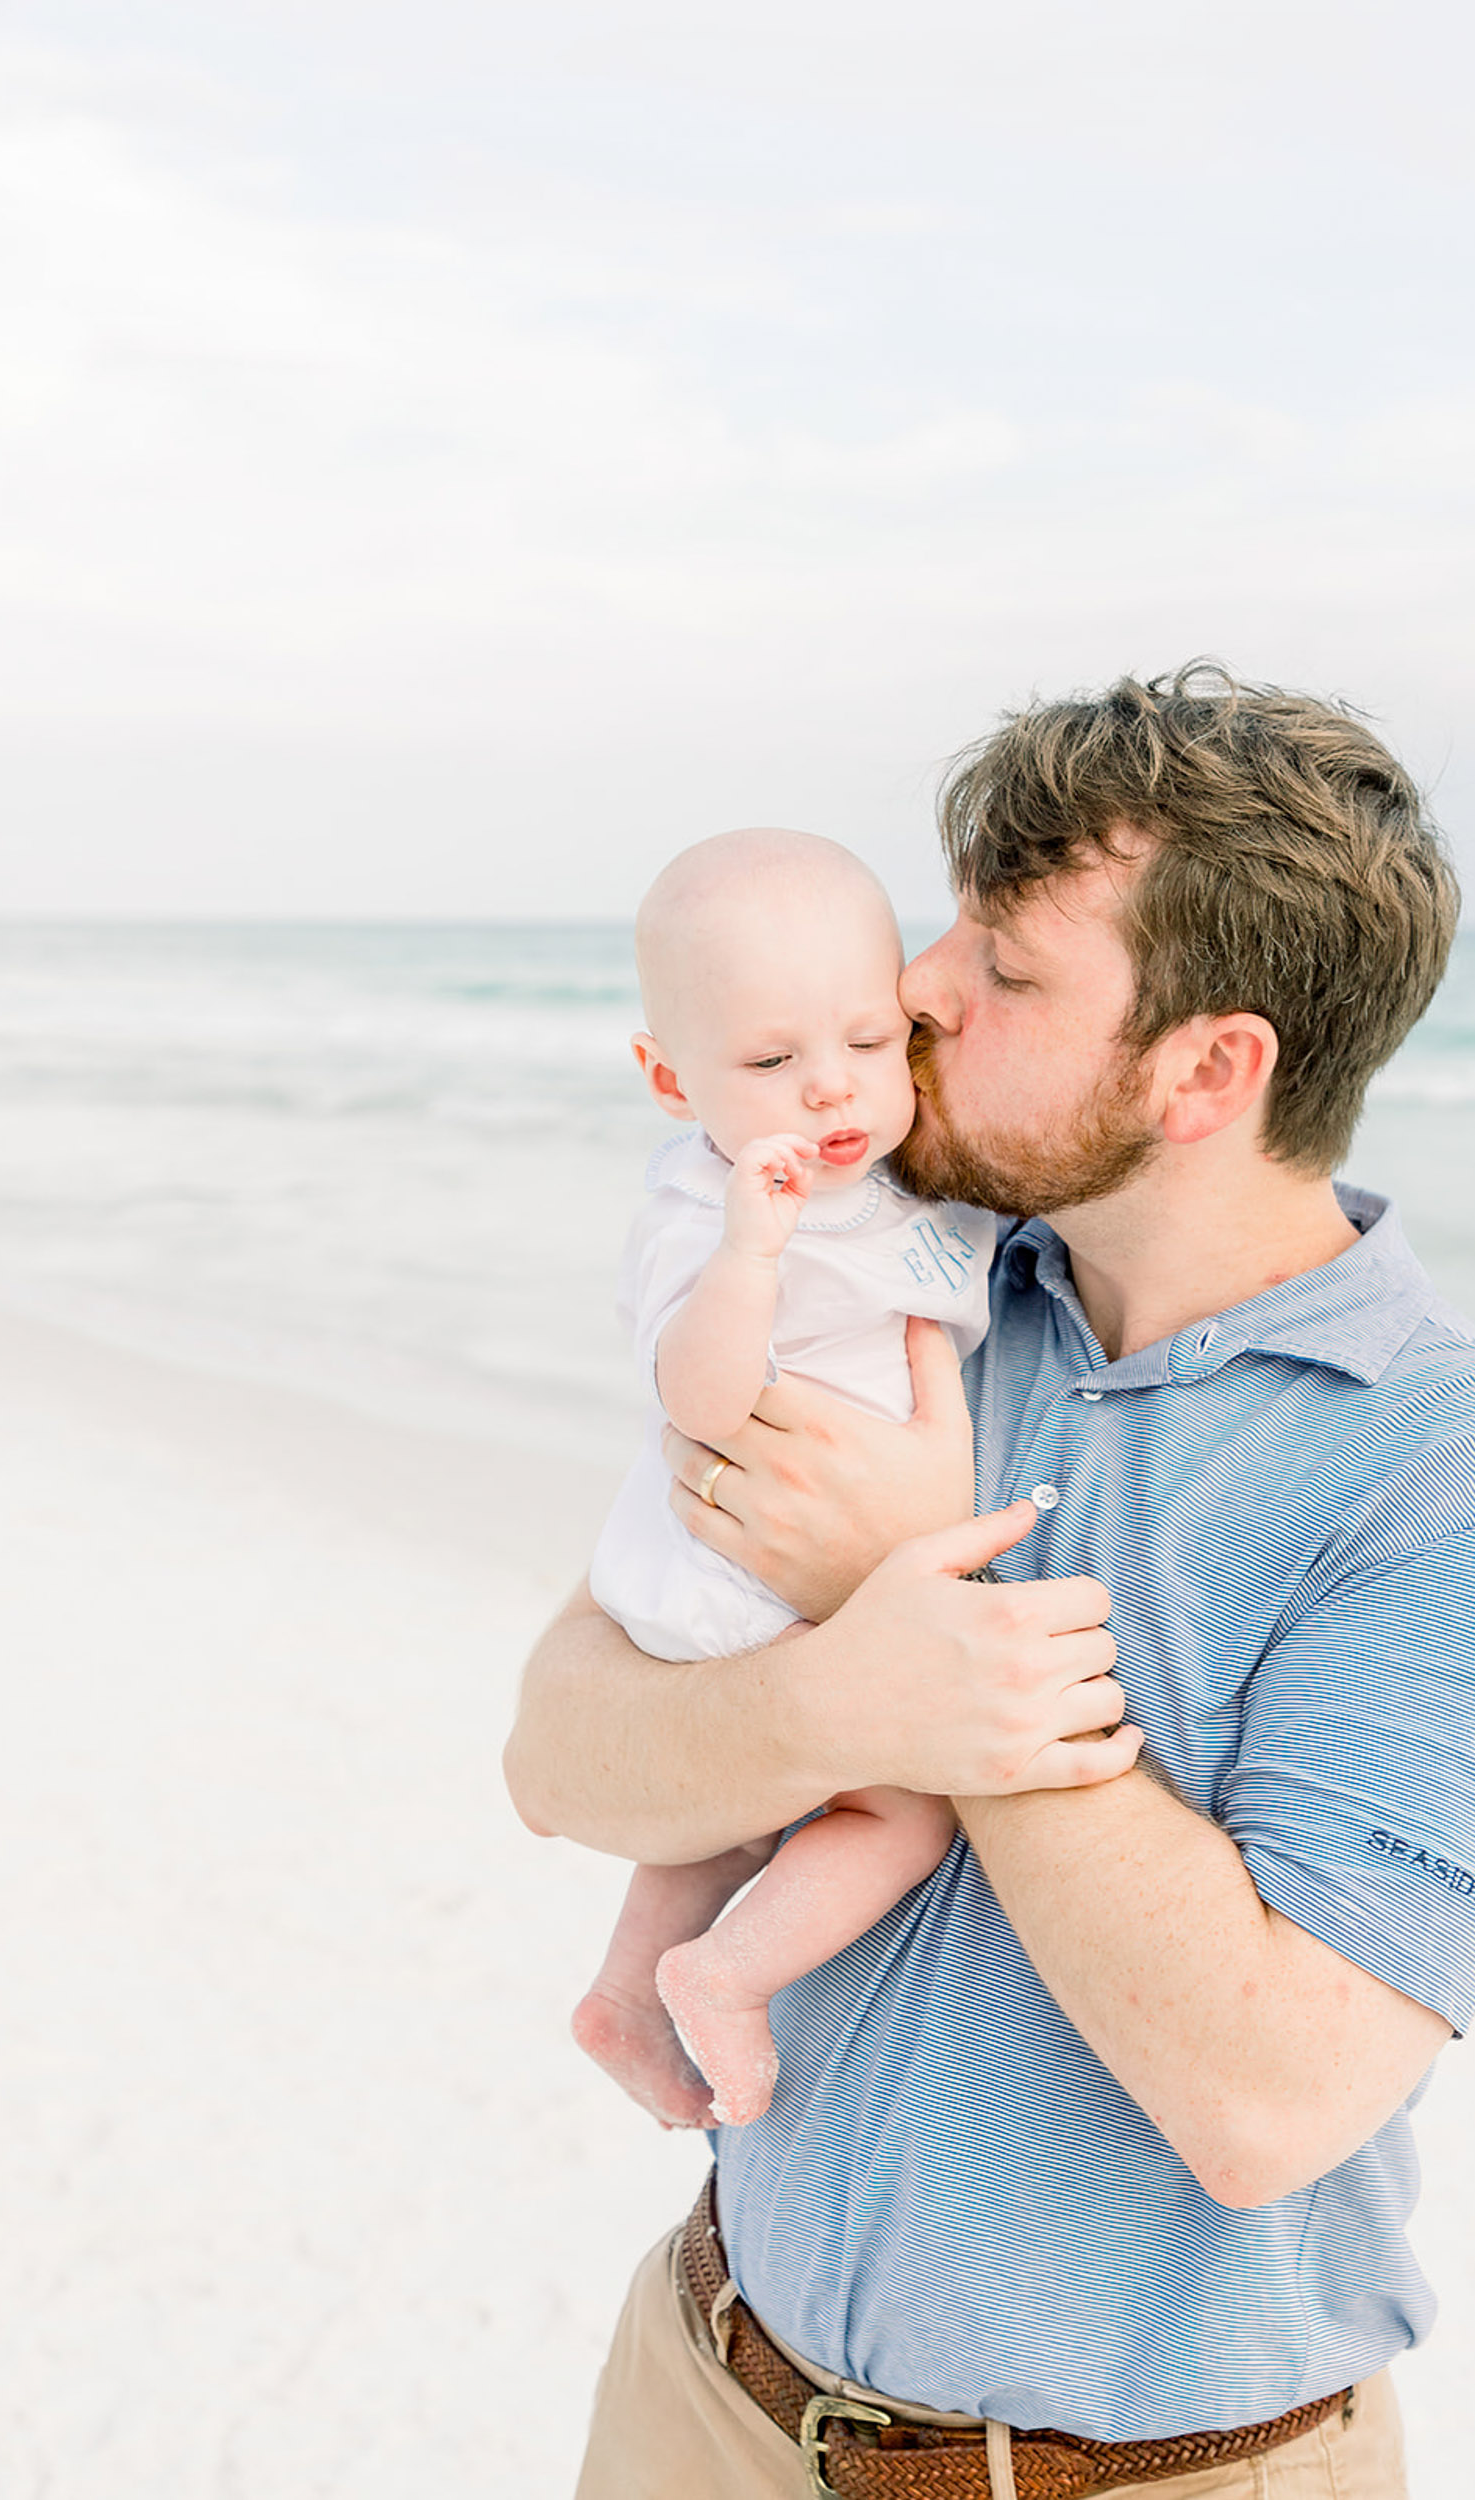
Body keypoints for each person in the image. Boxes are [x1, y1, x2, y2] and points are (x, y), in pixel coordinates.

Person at [505, 666, 1475, 2500]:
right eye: (947, 927)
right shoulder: (924, 1295)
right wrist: (840, 1690)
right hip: (708, 2397)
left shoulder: (1469, 1488)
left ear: (1209, 1069)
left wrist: (927, 1636)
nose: (918, 995)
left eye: (1008, 971)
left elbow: (1268, 2102)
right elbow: (562, 1751)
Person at [575, 829, 1014, 2131]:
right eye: (771, 1062)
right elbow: (699, 1401)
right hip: (749, 1564)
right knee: (902, 1812)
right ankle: (725, 1974)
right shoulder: (707, 1212)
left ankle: (620, 1990)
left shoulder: (877, 1182)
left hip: (784, 1559)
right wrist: (750, 1254)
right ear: (669, 1079)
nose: (831, 1092)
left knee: (720, 1821)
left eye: (869, 1045)